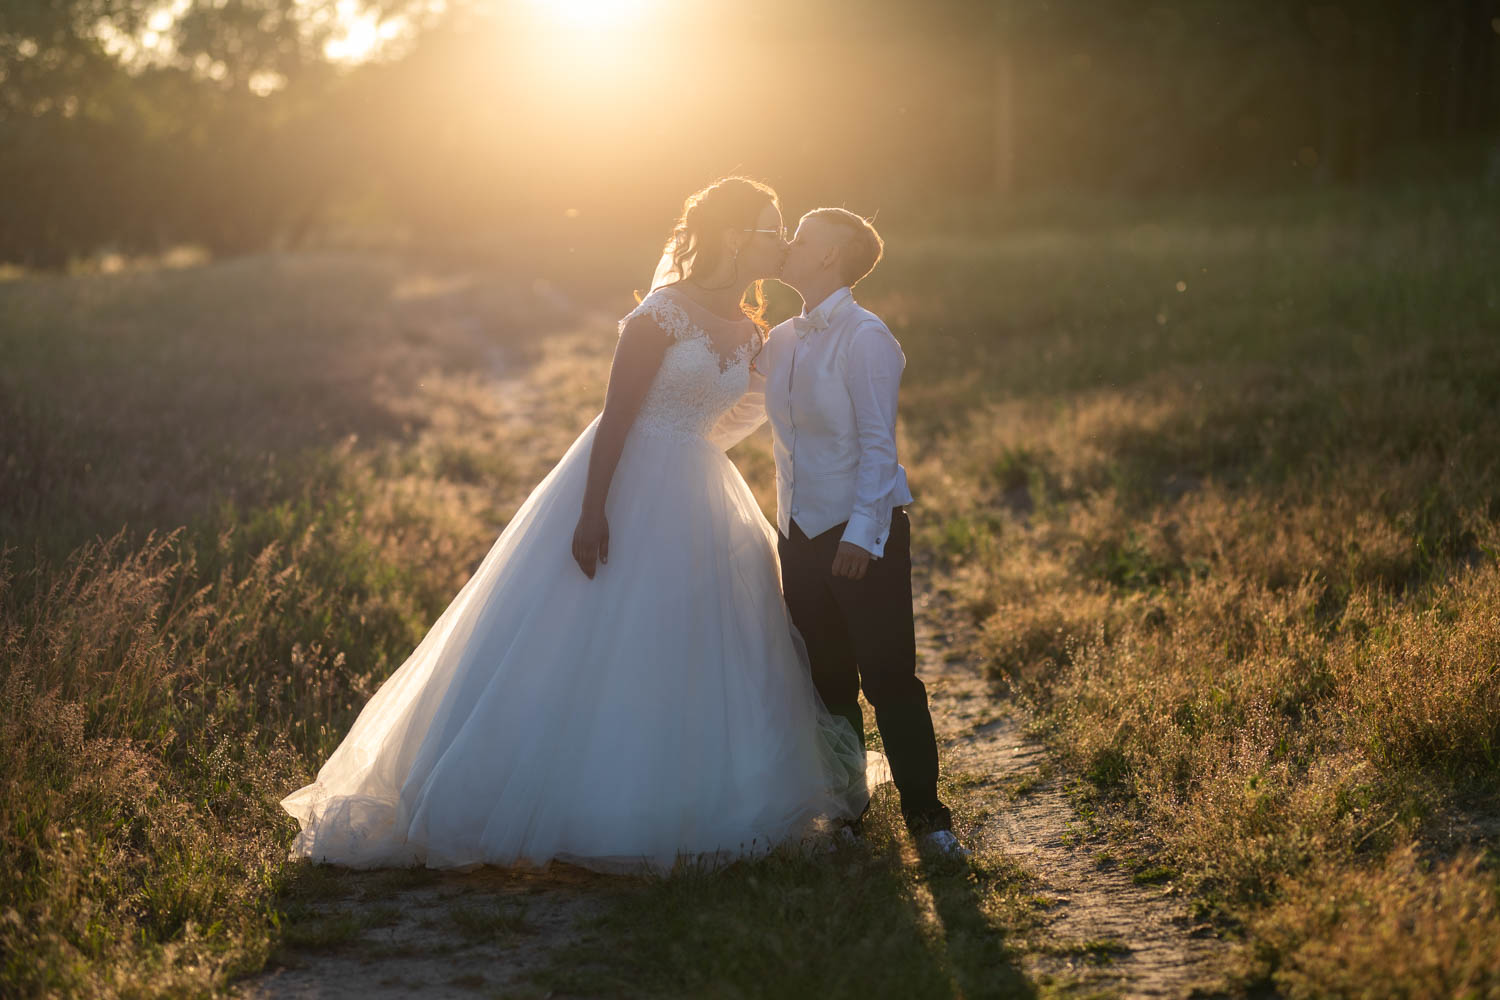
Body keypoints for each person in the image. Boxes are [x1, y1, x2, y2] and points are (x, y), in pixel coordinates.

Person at [279, 178, 885, 874]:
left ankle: (688, 796)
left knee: (695, 641)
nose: (780, 243)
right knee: (584, 628)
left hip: (698, 483)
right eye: (771, 228)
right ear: (731, 236)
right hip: (625, 481)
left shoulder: (754, 330)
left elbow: (750, 409)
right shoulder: (660, 314)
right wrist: (593, 508)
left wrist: (725, 452)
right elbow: (616, 417)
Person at [754, 207, 970, 858]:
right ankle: (849, 815)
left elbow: (880, 446)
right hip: (797, 532)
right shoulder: (782, 339)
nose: (787, 242)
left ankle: (929, 820)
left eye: (802, 235)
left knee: (888, 677)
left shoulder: (866, 336)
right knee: (826, 681)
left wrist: (862, 533)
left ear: (830, 257)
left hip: (859, 532)